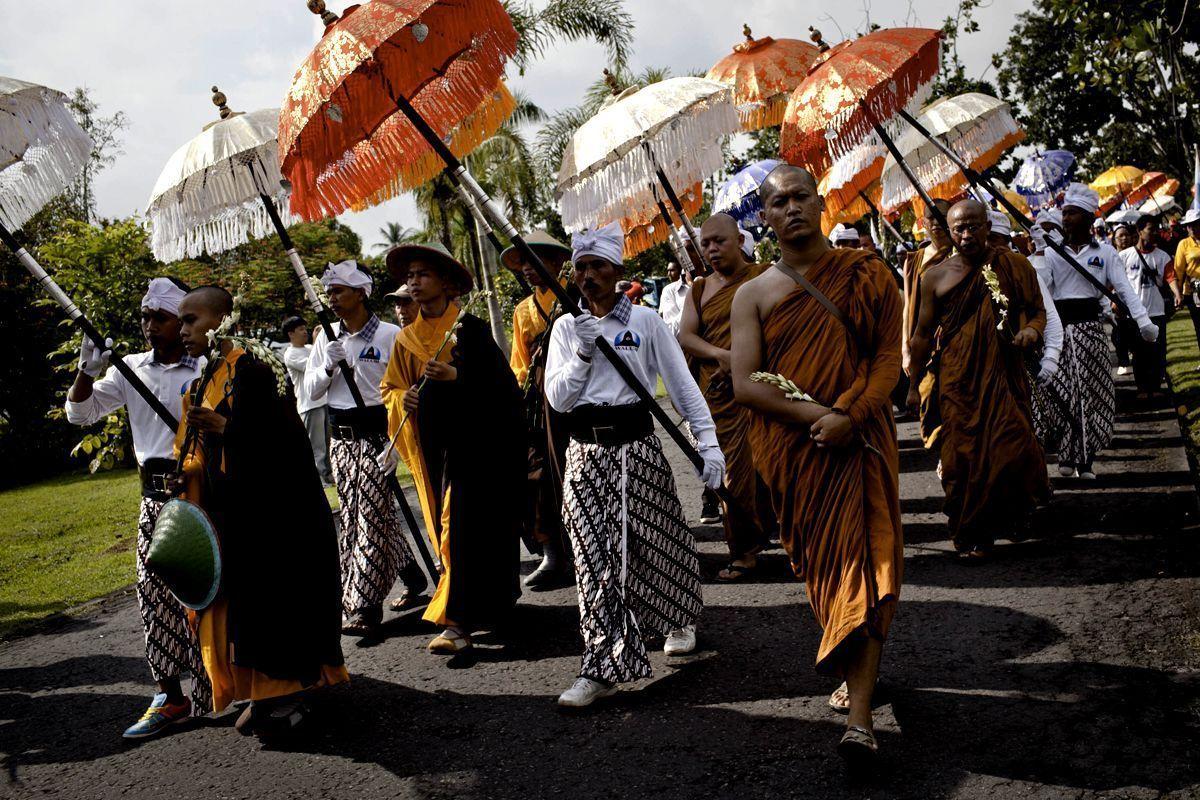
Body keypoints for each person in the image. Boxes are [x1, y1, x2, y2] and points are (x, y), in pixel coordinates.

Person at [730, 165, 902, 764]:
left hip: (862, 443)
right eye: (779, 202)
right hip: (800, 452)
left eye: (802, 197)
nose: (792, 208)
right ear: (766, 216)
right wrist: (817, 419)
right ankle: (855, 669)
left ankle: (860, 719)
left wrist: (850, 417)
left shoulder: (869, 274)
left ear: (822, 203)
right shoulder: (754, 292)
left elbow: (887, 362)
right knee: (830, 570)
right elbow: (746, 385)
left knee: (872, 566)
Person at [544, 222, 723, 708]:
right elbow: (558, 401)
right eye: (580, 267)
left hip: (637, 449)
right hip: (584, 455)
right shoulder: (565, 327)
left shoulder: (644, 322)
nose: (587, 276)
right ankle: (602, 661)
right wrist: (582, 350)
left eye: (597, 266)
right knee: (593, 556)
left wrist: (707, 443)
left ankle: (677, 618)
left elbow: (682, 386)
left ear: (617, 270)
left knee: (656, 539)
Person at [170, 285, 347, 738]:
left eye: (192, 319)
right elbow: (195, 453)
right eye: (181, 320)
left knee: (273, 605)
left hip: (274, 516)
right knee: (240, 609)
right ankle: (261, 692)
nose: (182, 328)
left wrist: (228, 427)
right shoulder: (201, 380)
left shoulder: (254, 368)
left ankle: (284, 693)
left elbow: (287, 444)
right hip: (232, 514)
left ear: (222, 318)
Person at [65, 277, 211, 739]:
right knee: (154, 593)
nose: (150, 326)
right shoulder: (129, 368)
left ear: (182, 320)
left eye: (161, 318)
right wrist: (87, 370)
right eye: (145, 317)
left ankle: (218, 683)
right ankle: (169, 695)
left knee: (211, 592)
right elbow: (79, 415)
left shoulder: (209, 366)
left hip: (205, 493)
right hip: (155, 499)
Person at [380, 243, 525, 654]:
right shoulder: (406, 339)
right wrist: (402, 398)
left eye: (423, 274)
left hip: (482, 447)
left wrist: (457, 375)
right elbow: (389, 389)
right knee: (453, 528)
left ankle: (476, 612)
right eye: (409, 276)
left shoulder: (470, 329)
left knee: (483, 528)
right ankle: (460, 617)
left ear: (446, 283)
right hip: (435, 450)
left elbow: (504, 391)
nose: (413, 282)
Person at [906, 200, 1050, 558]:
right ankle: (974, 534)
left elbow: (1036, 311)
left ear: (988, 226)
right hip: (956, 382)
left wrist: (1031, 332)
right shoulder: (934, 276)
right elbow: (922, 334)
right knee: (960, 460)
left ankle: (1012, 517)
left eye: (974, 227)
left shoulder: (1013, 265)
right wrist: (912, 385)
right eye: (959, 229)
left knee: (1013, 447)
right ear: (949, 232)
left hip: (1003, 372)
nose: (967, 235)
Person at [304, 260, 425, 636]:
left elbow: (406, 389)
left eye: (339, 291)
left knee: (368, 518)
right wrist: (327, 367)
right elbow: (306, 395)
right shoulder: (326, 338)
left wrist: (394, 442)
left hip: (379, 437)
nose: (333, 300)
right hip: (341, 439)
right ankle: (411, 573)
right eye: (329, 293)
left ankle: (364, 606)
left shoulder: (391, 335)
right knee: (363, 514)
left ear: (360, 293)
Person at [678, 213, 776, 581]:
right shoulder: (700, 288)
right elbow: (687, 337)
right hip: (720, 396)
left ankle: (791, 540)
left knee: (773, 468)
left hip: (763, 389)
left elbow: (779, 330)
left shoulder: (766, 277)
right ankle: (744, 550)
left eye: (720, 241)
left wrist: (745, 361)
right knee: (732, 475)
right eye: (706, 244)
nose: (712, 249)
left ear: (739, 240)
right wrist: (722, 356)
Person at [1035, 183, 1156, 479]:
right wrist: (1039, 251)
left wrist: (1143, 321)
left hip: (1090, 331)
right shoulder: (1052, 254)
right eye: (1064, 214)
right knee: (1063, 394)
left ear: (1089, 219)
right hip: (1059, 332)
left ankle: (1085, 460)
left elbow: (1125, 290)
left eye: (1073, 214)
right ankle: (1067, 454)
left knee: (1091, 395)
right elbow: (1042, 289)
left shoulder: (1105, 252)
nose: (1066, 219)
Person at [503, 230, 576, 591]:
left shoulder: (574, 296)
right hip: (538, 401)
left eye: (535, 262)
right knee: (536, 475)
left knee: (575, 468)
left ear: (557, 262)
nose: (528, 270)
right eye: (523, 264)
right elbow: (519, 360)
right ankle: (552, 552)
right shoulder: (522, 310)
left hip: (574, 396)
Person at [1119, 215, 1181, 398]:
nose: (1154, 233)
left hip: (1156, 311)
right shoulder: (1124, 256)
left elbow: (1170, 277)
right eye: (1150, 229)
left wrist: (1177, 293)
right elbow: (1116, 281)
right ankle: (1142, 388)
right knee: (1139, 352)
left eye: (1156, 229)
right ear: (1139, 231)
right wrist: (1115, 302)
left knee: (1157, 351)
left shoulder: (1161, 256)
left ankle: (1155, 387)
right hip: (1136, 314)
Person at [902, 200, 954, 376]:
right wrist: (905, 349)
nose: (936, 222)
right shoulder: (913, 261)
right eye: (931, 218)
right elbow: (908, 307)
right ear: (923, 222)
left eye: (942, 217)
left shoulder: (961, 254)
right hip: (923, 343)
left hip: (956, 342)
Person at [282, 317, 333, 486]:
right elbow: (315, 366)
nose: (305, 332)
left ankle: (330, 475)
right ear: (290, 334)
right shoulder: (290, 354)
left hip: (325, 401)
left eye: (305, 328)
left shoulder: (310, 348)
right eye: (300, 329)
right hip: (310, 405)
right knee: (317, 446)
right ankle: (319, 480)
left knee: (329, 442)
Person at [1172, 208, 1200, 348]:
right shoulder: (1184, 244)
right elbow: (1178, 271)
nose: (1192, 228)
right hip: (1194, 291)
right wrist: (1178, 295)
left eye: (1195, 224)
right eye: (1189, 225)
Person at [657, 262, 689, 335]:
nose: (669, 274)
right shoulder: (667, 289)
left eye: (672, 270)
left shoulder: (669, 289)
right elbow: (661, 314)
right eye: (668, 271)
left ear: (680, 271)